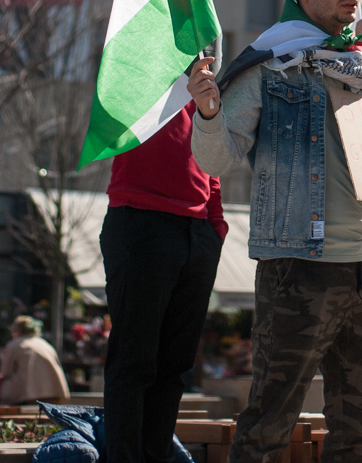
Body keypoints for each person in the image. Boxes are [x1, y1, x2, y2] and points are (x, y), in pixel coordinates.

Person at [189, 0, 362, 463]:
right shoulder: (268, 64)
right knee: (266, 431)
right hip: (298, 270)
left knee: (355, 438)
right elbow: (217, 160)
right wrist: (207, 112)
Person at [101, 102, 226, 463]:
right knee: (133, 362)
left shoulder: (203, 76)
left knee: (174, 368)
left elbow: (211, 153)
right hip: (142, 218)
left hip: (198, 230)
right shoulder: (142, 63)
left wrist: (215, 226)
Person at [0, 316, 70, 405]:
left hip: (27, 395)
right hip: (53, 393)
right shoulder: (45, 344)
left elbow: (5, 372)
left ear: (17, 331)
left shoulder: (15, 344)